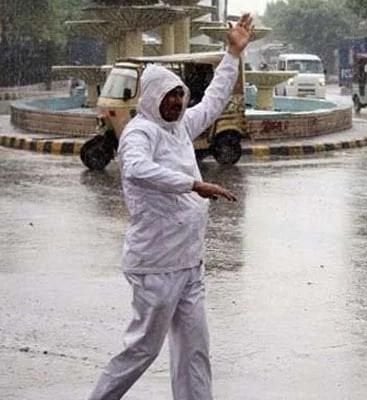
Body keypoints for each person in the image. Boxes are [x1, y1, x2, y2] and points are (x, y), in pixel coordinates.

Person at [87, 13, 254, 400]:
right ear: (151, 98)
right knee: (142, 349)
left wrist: (232, 53)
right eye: (170, 96)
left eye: (180, 95)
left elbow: (213, 101)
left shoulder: (180, 127)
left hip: (189, 263)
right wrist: (193, 184)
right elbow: (138, 170)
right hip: (156, 266)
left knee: (195, 351)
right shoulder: (139, 133)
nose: (178, 102)